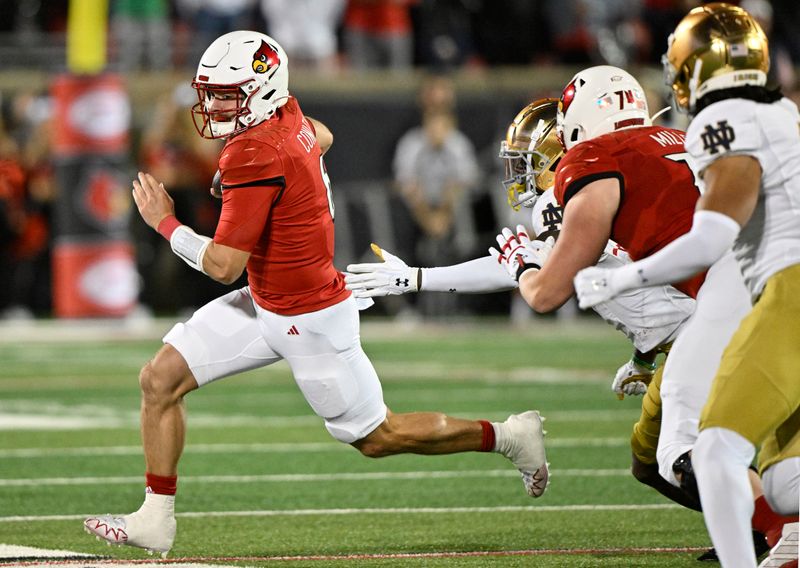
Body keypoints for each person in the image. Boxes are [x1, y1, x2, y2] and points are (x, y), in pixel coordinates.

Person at [82, 31, 547, 558]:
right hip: (266, 302)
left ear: (260, 93)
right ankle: (155, 519)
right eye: (210, 92)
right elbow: (319, 136)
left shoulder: (255, 150)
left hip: (310, 318)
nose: (211, 106)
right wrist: (273, 182)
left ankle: (509, 436)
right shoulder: (286, 118)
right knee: (160, 379)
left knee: (379, 437)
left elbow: (221, 264)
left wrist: (163, 222)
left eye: (226, 94)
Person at [488, 65, 792, 561]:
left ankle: (776, 534)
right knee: (781, 470)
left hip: (732, 287)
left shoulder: (593, 158)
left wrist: (521, 263)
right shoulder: (683, 136)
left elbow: (546, 294)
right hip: (772, 279)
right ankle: (780, 529)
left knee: (684, 448)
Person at [347, 97, 703, 510]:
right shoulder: (624, 173)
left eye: (531, 159)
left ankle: (776, 529)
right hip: (695, 325)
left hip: (700, 338)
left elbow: (538, 286)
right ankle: (756, 531)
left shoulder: (575, 190)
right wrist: (417, 277)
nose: (522, 172)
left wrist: (433, 276)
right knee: (651, 464)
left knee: (684, 456)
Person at [573, 5, 800, 567]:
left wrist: (622, 277)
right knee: (786, 483)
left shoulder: (719, 124)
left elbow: (711, 237)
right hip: (765, 292)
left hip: (785, 291)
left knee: (710, 448)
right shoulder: (782, 113)